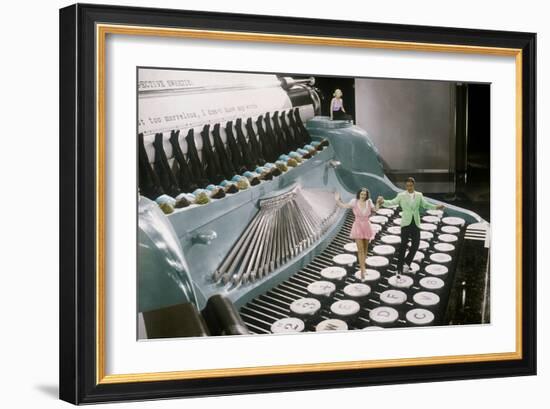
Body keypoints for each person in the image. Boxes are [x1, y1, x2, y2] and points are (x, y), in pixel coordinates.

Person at [377, 177, 444, 277]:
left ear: (414, 185)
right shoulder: (401, 195)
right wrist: (383, 202)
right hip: (406, 223)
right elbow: (392, 202)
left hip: (415, 223)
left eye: (411, 185)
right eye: (407, 185)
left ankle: (407, 262)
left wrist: (436, 207)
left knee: (416, 245)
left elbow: (425, 205)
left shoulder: (419, 195)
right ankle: (398, 269)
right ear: (406, 186)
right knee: (403, 246)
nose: (409, 187)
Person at [335, 188, 378, 279]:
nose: (363, 196)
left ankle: (364, 266)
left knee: (366, 249)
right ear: (359, 194)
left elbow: (376, 210)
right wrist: (337, 199)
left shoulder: (369, 202)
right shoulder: (354, 202)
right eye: (362, 194)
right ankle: (362, 269)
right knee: (360, 249)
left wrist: (378, 202)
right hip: (358, 226)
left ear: (367, 195)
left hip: (367, 226)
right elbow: (343, 206)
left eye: (365, 194)